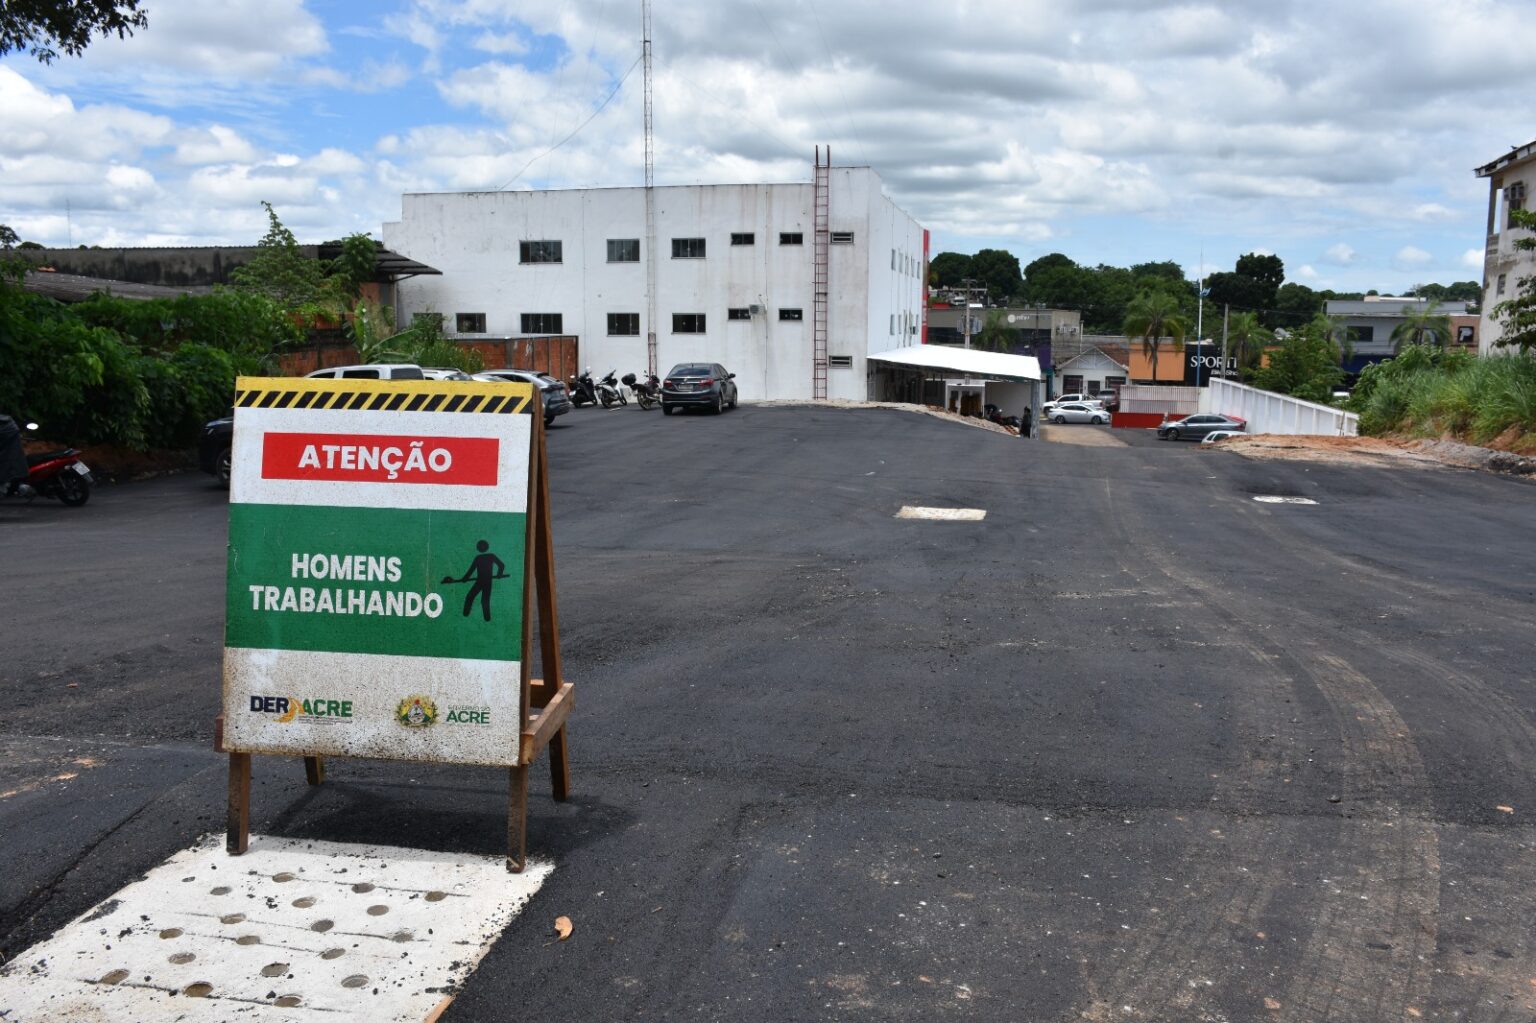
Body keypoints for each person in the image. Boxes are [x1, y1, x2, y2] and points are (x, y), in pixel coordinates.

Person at [457, 539, 505, 622]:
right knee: (478, 598)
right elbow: (471, 570)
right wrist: (499, 574)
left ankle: (480, 617)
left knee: (479, 599)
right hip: (484, 581)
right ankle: (483, 617)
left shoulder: (484, 557)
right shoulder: (488, 556)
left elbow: (501, 565)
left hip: (483, 581)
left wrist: (499, 574)